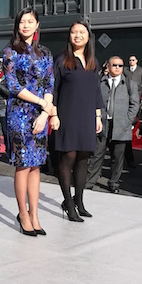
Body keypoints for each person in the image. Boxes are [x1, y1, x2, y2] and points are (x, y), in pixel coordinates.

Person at [3, 7, 55, 236]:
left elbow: (49, 83)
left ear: (37, 25)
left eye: (30, 21)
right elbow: (13, 85)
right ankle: (23, 214)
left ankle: (34, 214)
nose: (26, 25)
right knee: (23, 164)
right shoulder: (10, 52)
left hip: (40, 113)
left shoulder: (45, 52)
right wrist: (41, 103)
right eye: (22, 21)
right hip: (19, 113)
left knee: (36, 165)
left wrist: (45, 113)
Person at [51, 20, 103, 222]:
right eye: (74, 32)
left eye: (82, 32)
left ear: (88, 37)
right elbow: (53, 90)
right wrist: (54, 115)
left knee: (83, 158)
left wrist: (97, 116)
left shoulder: (93, 61)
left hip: (87, 116)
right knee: (68, 157)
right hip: (67, 115)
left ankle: (79, 201)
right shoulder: (61, 60)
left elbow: (96, 90)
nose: (78, 35)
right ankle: (68, 203)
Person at [86, 56, 139, 194]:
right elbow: (92, 101)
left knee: (118, 157)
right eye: (114, 65)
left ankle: (114, 182)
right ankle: (89, 181)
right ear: (108, 66)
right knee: (97, 154)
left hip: (121, 125)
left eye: (120, 65)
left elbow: (134, 104)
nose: (117, 68)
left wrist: (127, 120)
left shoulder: (130, 84)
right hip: (102, 123)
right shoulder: (100, 82)